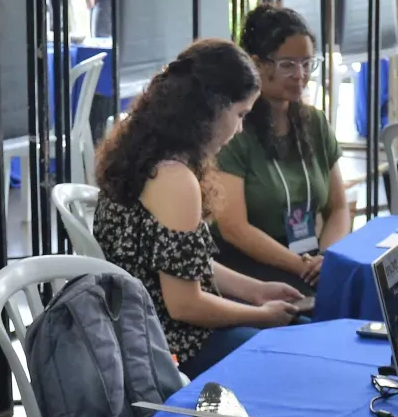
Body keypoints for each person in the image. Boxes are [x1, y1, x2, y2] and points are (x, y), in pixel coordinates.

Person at [93, 39, 305, 378]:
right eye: (239, 115)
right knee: (296, 355)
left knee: (298, 331)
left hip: (144, 330)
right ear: (211, 108)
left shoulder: (141, 148)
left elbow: (180, 262)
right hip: (170, 348)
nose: (238, 129)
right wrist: (260, 314)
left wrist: (256, 290)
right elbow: (184, 305)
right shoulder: (175, 179)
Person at [210, 4, 349, 294]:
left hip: (310, 263)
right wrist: (301, 267)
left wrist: (326, 259)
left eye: (308, 63)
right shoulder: (235, 130)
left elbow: (338, 207)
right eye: (287, 65)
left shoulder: (314, 123)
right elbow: (234, 228)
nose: (301, 75)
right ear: (256, 64)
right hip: (250, 270)